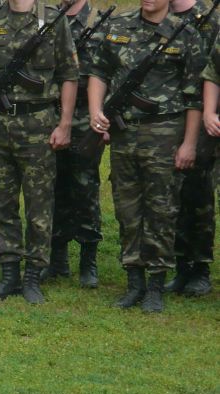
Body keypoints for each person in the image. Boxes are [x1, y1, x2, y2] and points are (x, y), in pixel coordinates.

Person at [88, 0, 203, 312]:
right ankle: (134, 281)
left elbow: (194, 96)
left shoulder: (185, 33)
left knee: (161, 209)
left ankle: (155, 284)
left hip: (165, 133)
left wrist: (189, 143)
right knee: (127, 208)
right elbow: (99, 71)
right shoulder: (118, 26)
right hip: (124, 133)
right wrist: (97, 112)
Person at [0, 0, 79, 304]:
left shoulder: (53, 20)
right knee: (0, 202)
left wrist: (65, 124)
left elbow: (69, 74)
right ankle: (9, 273)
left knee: (39, 203)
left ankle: (33, 275)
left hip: (39, 125)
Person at [46, 0, 106, 288]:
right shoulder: (46, 19)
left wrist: (103, 117)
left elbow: (109, 72)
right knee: (52, 187)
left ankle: (88, 259)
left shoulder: (99, 21)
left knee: (85, 188)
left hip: (86, 118)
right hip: (48, 114)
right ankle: (57, 258)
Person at [164, 0, 218, 297]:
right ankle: (181, 265)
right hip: (166, 120)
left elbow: (212, 74)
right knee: (174, 194)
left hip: (201, 120)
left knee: (198, 194)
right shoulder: (159, 17)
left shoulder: (210, 20)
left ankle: (200, 268)